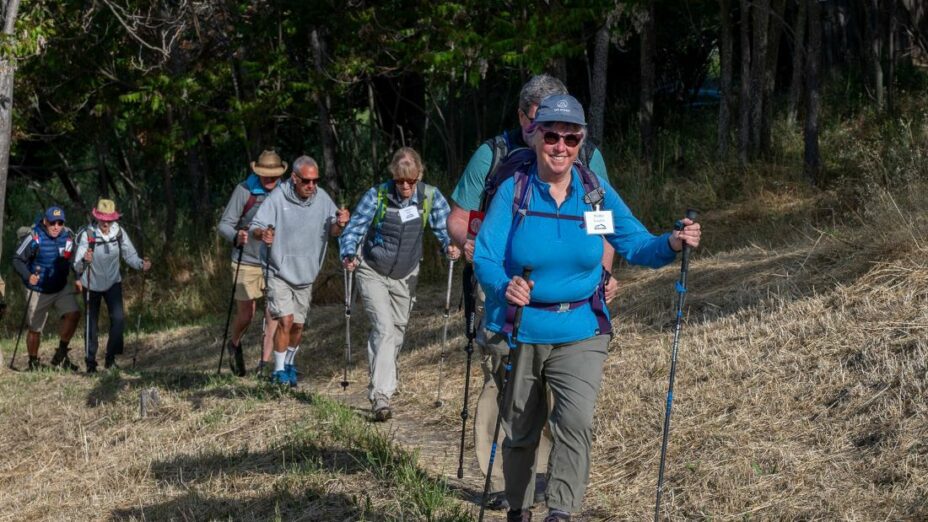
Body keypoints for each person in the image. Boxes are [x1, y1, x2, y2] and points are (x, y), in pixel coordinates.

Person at [473, 94, 701, 522]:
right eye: (552, 135)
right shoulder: (515, 191)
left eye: (571, 138)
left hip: (582, 326)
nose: (561, 146)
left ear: (581, 141)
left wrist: (671, 243)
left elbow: (634, 243)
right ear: (536, 135)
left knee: (574, 423)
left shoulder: (594, 194)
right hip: (523, 326)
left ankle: (560, 512)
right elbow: (484, 255)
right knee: (520, 432)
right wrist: (505, 286)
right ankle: (518, 510)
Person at [446, 74, 617, 510]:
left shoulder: (587, 158)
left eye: (566, 131)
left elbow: (603, 222)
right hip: (503, 285)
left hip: (570, 298)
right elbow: (459, 215)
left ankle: (550, 491)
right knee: (502, 384)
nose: (555, 137)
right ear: (524, 117)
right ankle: (507, 482)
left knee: (565, 402)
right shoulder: (494, 153)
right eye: (540, 122)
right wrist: (476, 251)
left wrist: (603, 273)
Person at [338, 147, 461, 421]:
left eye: (411, 181)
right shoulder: (378, 195)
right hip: (372, 268)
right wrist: (348, 254)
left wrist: (450, 247)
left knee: (398, 332)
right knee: (383, 329)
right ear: (393, 177)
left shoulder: (430, 197)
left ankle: (381, 385)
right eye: (400, 181)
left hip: (407, 274)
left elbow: (444, 230)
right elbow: (355, 228)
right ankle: (381, 396)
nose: (405, 187)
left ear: (419, 176)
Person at [250, 155, 350, 387]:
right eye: (306, 181)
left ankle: (289, 365)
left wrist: (341, 223)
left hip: (306, 273)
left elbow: (333, 230)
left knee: (298, 325)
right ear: (294, 178)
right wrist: (262, 234)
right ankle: (278, 372)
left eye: (315, 181)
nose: (311, 186)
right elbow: (256, 226)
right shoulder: (277, 197)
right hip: (278, 270)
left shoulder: (322, 198)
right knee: (284, 320)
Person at [217, 149, 285, 376]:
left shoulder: (285, 191)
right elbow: (225, 224)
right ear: (258, 172)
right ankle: (234, 344)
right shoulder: (244, 190)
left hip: (275, 260)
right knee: (247, 314)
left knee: (273, 311)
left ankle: (264, 365)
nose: (270, 179)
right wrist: (237, 236)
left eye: (274, 175)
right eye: (266, 174)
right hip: (246, 260)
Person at [73, 199, 152, 373]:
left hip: (113, 282)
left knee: (118, 319)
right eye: (103, 219)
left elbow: (129, 255)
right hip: (91, 284)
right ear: (97, 217)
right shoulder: (88, 234)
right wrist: (84, 261)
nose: (106, 222)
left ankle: (110, 358)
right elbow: (77, 265)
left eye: (109, 219)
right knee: (91, 324)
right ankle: (91, 363)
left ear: (114, 218)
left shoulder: (118, 233)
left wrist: (141, 264)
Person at [12, 206, 82, 371]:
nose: (56, 226)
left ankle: (61, 355)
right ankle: (33, 363)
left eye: (60, 222)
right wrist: (28, 276)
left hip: (60, 287)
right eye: (52, 222)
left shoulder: (68, 237)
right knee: (35, 329)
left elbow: (72, 260)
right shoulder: (33, 236)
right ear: (45, 221)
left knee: (74, 313)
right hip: (37, 289)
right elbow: (17, 259)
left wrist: (78, 278)